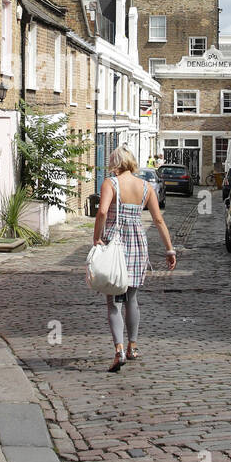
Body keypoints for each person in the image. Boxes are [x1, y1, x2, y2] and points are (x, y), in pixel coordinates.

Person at [94, 145, 176, 373]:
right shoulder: (146, 186)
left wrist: (96, 238)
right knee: (132, 298)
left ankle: (118, 349)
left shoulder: (111, 183)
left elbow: (101, 212)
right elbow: (158, 220)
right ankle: (133, 346)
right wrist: (170, 250)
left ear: (115, 163)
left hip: (115, 244)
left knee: (113, 302)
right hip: (138, 243)